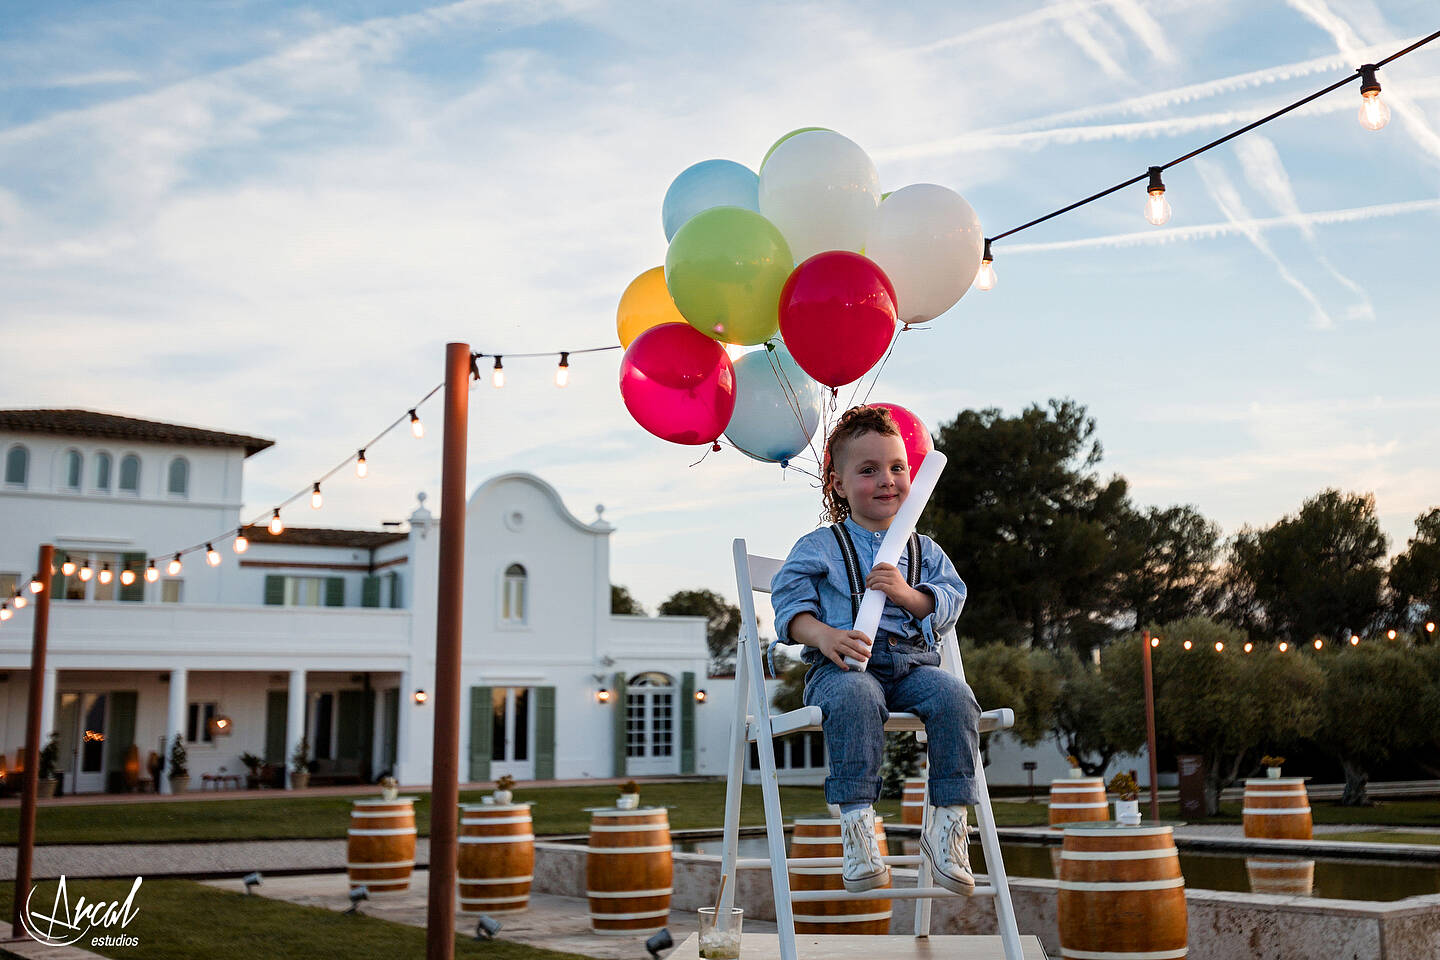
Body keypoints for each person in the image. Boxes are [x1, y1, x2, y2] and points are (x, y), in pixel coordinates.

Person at [771, 405, 980, 894]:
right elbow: (788, 604)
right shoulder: (820, 546)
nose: (887, 480)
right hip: (842, 669)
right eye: (868, 470)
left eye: (897, 467)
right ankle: (859, 828)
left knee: (956, 698)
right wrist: (824, 636)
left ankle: (947, 826)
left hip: (912, 667)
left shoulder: (924, 549)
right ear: (839, 485)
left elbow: (951, 601)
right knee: (859, 697)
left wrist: (909, 594)